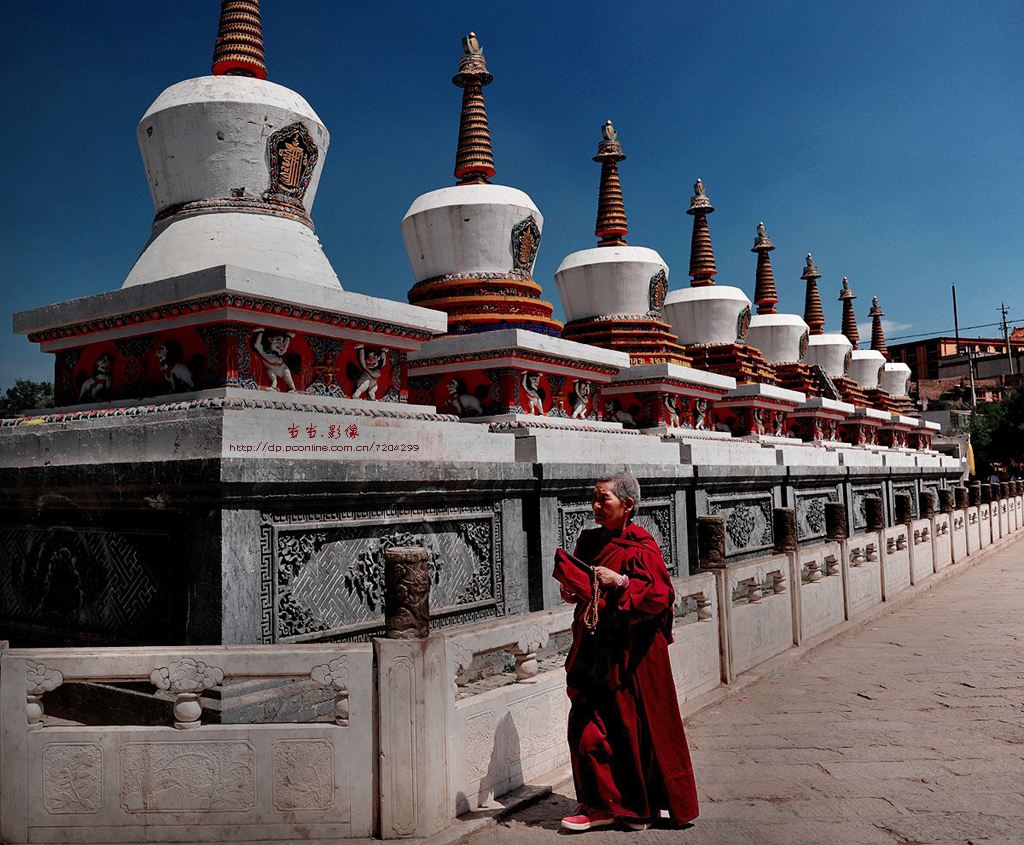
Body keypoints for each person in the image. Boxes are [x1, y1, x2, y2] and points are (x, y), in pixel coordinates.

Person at [552, 472, 699, 832]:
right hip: (594, 647)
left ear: (628, 505)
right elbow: (585, 586)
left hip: (631, 655)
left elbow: (661, 596)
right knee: (588, 728)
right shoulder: (589, 541)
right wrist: (574, 590)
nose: (596, 507)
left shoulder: (640, 545)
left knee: (631, 731)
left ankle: (628, 809)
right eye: (595, 499)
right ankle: (610, 805)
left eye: (605, 500)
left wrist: (621, 582)